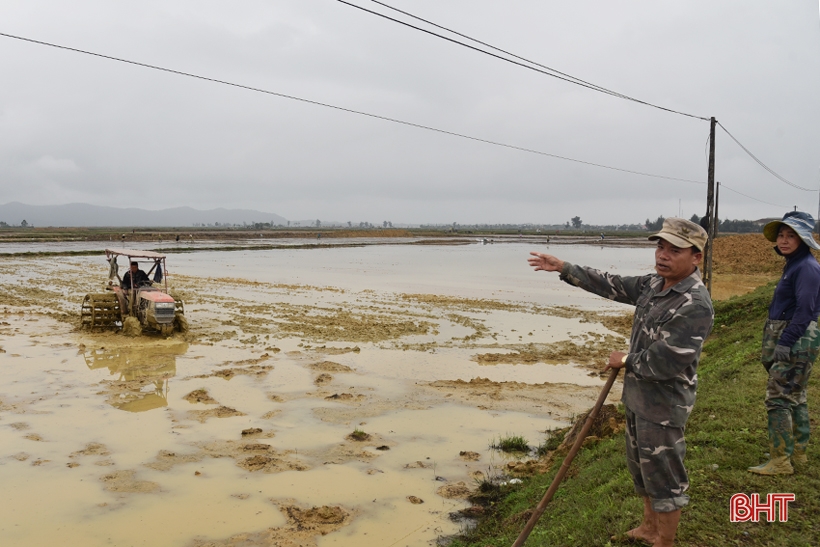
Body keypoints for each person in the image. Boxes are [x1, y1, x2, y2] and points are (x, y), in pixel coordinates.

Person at [528, 218, 713, 547]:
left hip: (664, 405)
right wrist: (564, 268)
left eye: (674, 250)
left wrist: (625, 360)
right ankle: (648, 526)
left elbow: (667, 361)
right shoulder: (655, 284)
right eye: (660, 246)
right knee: (641, 468)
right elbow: (611, 283)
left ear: (696, 256)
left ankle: (664, 540)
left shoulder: (694, 304)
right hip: (638, 396)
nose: (663, 255)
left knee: (664, 475)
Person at [748, 211, 820, 475]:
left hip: (796, 339)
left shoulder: (807, 268)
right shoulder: (794, 265)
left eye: (792, 235)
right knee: (796, 396)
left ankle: (780, 461)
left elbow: (805, 311)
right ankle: (797, 454)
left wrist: (786, 341)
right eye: (781, 234)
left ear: (804, 239)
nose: (785, 240)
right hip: (793, 338)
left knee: (778, 398)